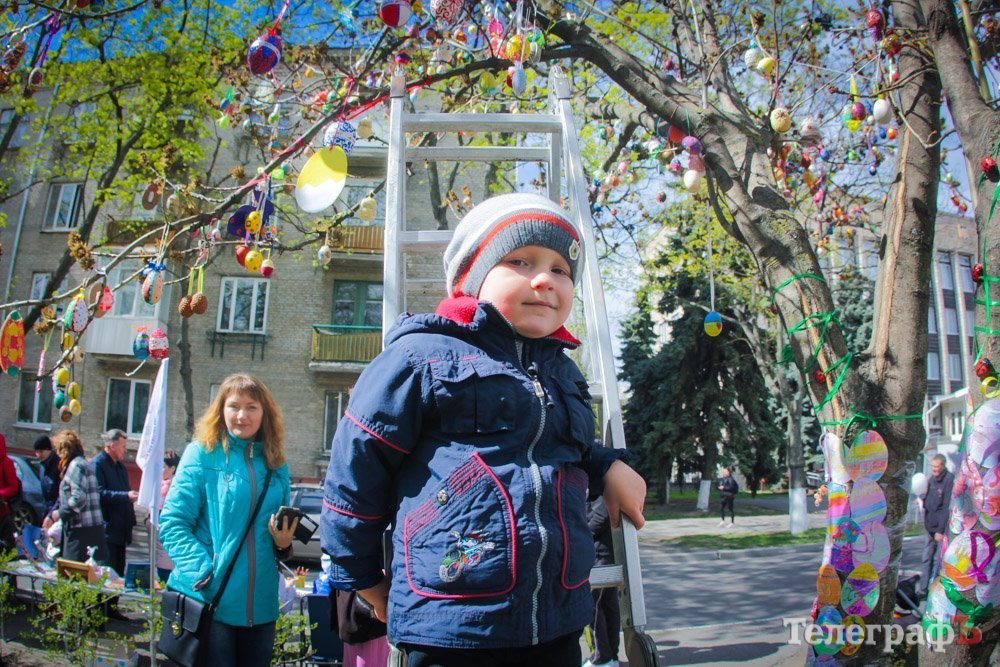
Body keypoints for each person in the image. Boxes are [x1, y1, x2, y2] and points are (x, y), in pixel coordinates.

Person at [321, 193, 647, 666]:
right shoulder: (420, 357)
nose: (544, 279)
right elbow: (355, 471)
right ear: (472, 277)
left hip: (557, 620)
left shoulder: (563, 371)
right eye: (519, 261)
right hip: (453, 624)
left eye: (560, 269)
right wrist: (365, 579)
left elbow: (561, 450)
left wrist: (607, 465)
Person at [159, 374, 297, 667]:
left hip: (261, 609)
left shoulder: (276, 464)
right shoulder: (201, 454)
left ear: (265, 413)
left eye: (251, 407)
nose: (242, 415)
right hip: (212, 602)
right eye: (234, 406)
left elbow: (274, 537)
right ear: (221, 410)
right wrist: (202, 572)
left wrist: (284, 544)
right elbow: (172, 523)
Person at [43, 430, 108, 563]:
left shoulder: (76, 465)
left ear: (64, 450)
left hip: (81, 534)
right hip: (90, 531)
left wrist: (58, 513)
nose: (57, 454)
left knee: (74, 573)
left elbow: (78, 499)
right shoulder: (82, 463)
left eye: (58, 450)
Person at [93, 429, 138, 577]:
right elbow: (99, 494)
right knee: (106, 576)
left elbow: (125, 490)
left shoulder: (120, 466)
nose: (126, 450)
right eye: (123, 446)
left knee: (118, 576)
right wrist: (126, 496)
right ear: (112, 446)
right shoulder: (98, 464)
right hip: (107, 532)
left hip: (121, 532)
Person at [585, 497, 620, 667]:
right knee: (607, 605)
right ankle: (611, 657)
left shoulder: (599, 485)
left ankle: (602, 658)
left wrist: (582, 534)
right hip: (606, 551)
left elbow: (602, 516)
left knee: (593, 606)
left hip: (600, 552)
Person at [916, 453, 954, 599]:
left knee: (940, 561)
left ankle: (937, 590)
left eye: (937, 467)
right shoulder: (931, 479)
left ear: (943, 466)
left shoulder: (949, 480)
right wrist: (921, 501)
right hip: (929, 525)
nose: (934, 469)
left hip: (940, 528)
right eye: (933, 466)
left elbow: (946, 507)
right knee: (926, 558)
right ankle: (923, 590)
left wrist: (940, 530)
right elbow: (928, 498)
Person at [0, 434, 21, 550]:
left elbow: (14, 487)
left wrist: (1, 495)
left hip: (2, 511)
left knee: (6, 545)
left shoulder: (6, 462)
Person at [33, 434, 60, 507]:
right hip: (47, 508)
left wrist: (54, 511)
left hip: (57, 510)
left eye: (41, 451)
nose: (38, 455)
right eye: (36, 452)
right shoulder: (42, 466)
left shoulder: (58, 465)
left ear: (49, 450)